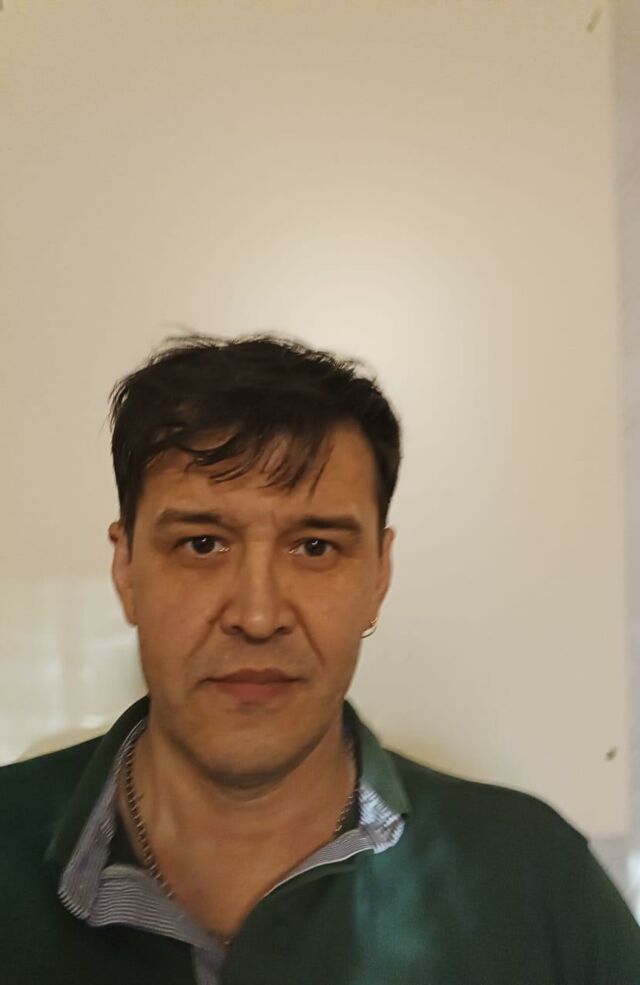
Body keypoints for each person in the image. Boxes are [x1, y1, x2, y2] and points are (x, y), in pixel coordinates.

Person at [1, 333, 639, 985]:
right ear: (126, 569)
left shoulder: (535, 879)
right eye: (202, 543)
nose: (257, 615)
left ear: (379, 576)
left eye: (314, 547)